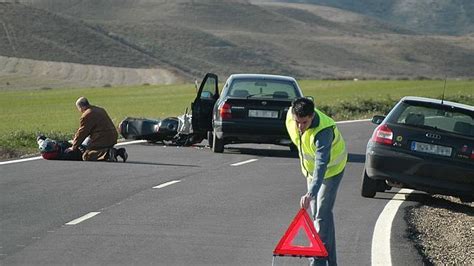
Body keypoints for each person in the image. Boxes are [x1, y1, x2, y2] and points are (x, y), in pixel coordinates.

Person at [285, 97, 347, 266]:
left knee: (320, 217)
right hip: (310, 173)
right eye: (297, 122)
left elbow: (321, 166)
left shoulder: (323, 132)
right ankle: (331, 263)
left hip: (332, 170)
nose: (300, 127)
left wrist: (310, 192)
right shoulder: (291, 116)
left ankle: (317, 262)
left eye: (304, 123)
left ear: (312, 116)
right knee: (322, 216)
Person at [67, 97, 128, 162]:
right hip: (113, 136)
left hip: (102, 138)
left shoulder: (86, 114)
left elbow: (82, 132)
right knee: (98, 147)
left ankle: (108, 153)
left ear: (81, 107)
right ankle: (119, 152)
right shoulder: (100, 109)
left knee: (87, 155)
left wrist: (74, 147)